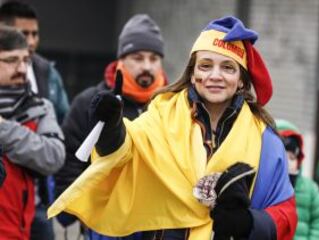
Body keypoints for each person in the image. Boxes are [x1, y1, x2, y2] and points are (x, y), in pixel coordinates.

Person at [49, 16, 297, 240]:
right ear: (192, 73)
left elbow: (286, 213)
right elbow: (126, 154)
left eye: (228, 68)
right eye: (206, 65)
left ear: (242, 79)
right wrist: (112, 129)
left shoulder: (265, 139)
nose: (215, 76)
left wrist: (249, 223)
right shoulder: (161, 113)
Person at [54, 14, 166, 240]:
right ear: (121, 60)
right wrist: (72, 209)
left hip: (157, 223)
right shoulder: (90, 103)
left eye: (154, 58)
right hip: (105, 226)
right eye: (138, 57)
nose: (147, 66)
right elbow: (70, 161)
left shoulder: (172, 105)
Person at [0, 2, 70, 239]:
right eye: (11, 61)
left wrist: (4, 129)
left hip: (28, 223)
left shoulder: (39, 107)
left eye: (25, 61)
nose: (21, 69)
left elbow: (53, 155)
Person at [276, 119, 319, 239]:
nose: (288, 162)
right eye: (283, 155)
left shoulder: (309, 189)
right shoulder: (263, 186)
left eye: (292, 157)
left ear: (299, 161)